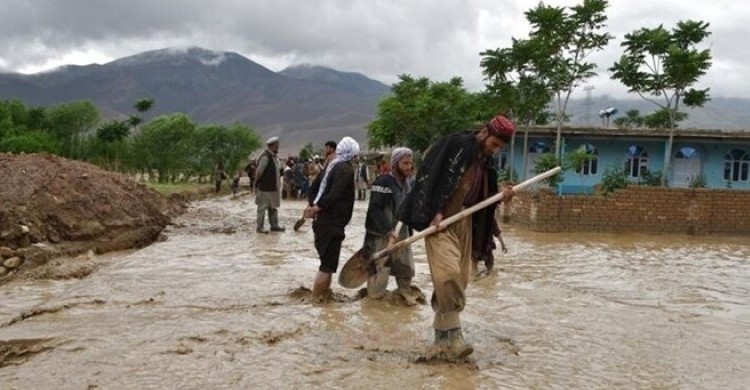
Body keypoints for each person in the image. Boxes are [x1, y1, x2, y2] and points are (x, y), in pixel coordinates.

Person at [398, 114, 516, 359]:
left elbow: (485, 200)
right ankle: (456, 335)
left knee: (459, 280)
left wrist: (502, 194)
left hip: (465, 224)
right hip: (440, 222)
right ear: (485, 132)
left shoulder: (487, 164)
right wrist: (434, 211)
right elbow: (428, 175)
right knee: (447, 275)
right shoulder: (456, 146)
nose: (495, 151)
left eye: (500, 148)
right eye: (494, 145)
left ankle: (441, 339)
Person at [363, 147, 425, 305]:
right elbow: (374, 210)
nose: (409, 167)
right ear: (394, 164)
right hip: (380, 235)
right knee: (379, 277)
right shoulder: (382, 182)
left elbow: (412, 210)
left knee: (406, 270)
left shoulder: (409, 184)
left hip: (401, 233)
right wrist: (388, 231)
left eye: (411, 163)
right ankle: (374, 302)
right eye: (405, 163)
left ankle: (403, 296)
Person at [305, 136, 359, 301]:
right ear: (352, 154)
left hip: (321, 222)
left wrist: (314, 206)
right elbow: (335, 194)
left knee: (326, 264)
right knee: (327, 267)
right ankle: (317, 301)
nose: (357, 158)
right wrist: (318, 207)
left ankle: (322, 299)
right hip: (331, 224)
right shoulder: (345, 170)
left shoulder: (330, 166)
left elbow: (313, 189)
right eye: (356, 155)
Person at [470, 166, 510, 277]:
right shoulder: (474, 217)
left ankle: (487, 276)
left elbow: (497, 232)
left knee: (490, 267)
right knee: (474, 266)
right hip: (475, 247)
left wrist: (503, 244)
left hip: (486, 246)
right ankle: (478, 276)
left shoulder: (489, 219)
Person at [255, 136, 285, 234]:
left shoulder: (273, 157)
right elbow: (259, 172)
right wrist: (257, 184)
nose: (278, 147)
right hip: (265, 188)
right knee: (262, 208)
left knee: (273, 207)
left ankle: (274, 226)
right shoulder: (265, 157)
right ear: (272, 146)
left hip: (273, 188)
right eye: (277, 145)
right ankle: (260, 228)